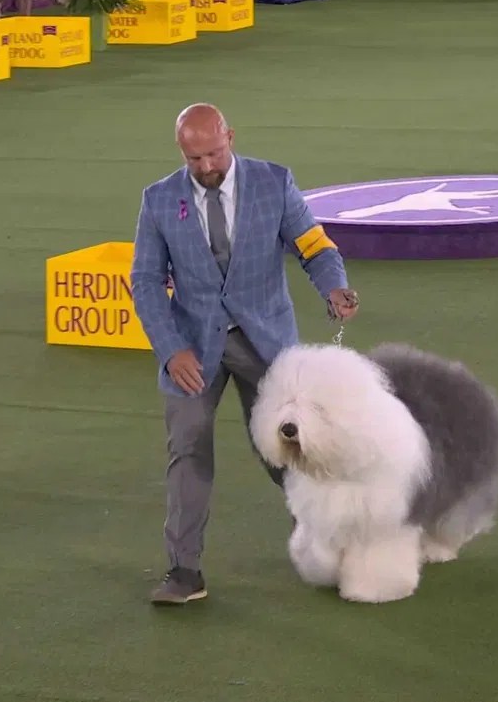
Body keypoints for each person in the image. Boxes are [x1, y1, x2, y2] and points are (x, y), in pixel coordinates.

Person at [130, 103, 360, 606]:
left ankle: (332, 546)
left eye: (214, 152)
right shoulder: (159, 200)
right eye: (195, 159)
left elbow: (315, 247)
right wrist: (171, 350)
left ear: (231, 136)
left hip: (267, 343)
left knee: (289, 453)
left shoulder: (273, 183)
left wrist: (334, 287)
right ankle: (184, 572)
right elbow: (145, 282)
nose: (207, 167)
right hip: (193, 350)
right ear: (181, 151)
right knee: (188, 452)